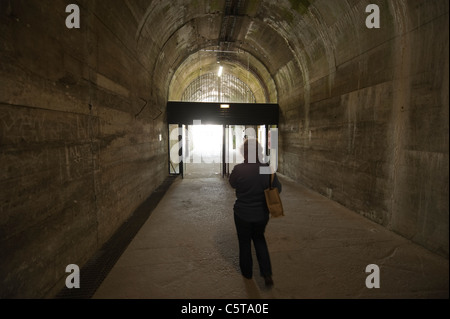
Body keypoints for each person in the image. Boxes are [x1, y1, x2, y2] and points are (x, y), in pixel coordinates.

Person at [229, 138, 282, 287]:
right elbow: (278, 188)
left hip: (242, 213)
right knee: (259, 239)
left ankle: (247, 274)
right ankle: (266, 273)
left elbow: (232, 184)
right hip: (261, 214)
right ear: (259, 152)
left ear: (244, 153)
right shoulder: (266, 168)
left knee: (244, 243)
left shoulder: (239, 169)